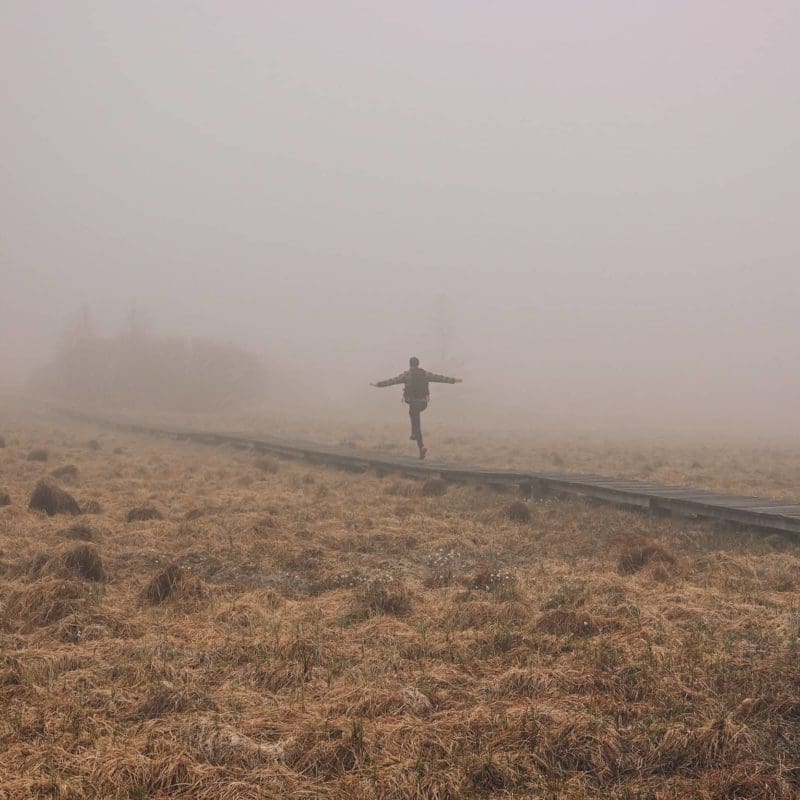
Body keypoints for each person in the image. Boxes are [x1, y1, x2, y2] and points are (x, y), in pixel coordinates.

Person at [371, 357, 462, 459]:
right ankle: (417, 441)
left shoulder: (407, 375)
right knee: (413, 416)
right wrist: (454, 380)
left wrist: (379, 384)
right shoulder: (425, 374)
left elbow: (393, 381)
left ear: (410, 364)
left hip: (413, 403)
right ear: (418, 364)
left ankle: (418, 440)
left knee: (415, 420)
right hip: (423, 403)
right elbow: (439, 378)